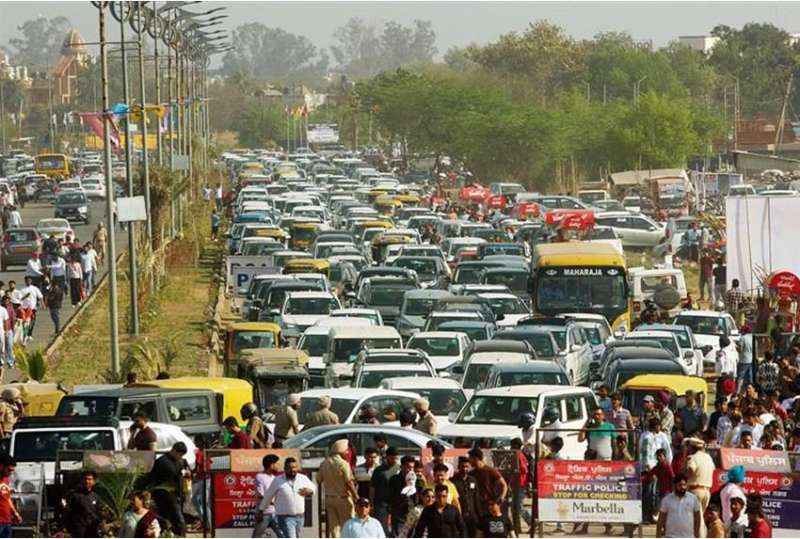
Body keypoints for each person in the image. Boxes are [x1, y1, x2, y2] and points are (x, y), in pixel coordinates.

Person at [261, 457, 316, 538]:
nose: (292, 470)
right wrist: (261, 510)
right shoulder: (278, 480)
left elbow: (313, 488)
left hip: (300, 517)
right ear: (285, 469)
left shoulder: (302, 478)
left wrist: (310, 491)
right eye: (290, 468)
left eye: (294, 467)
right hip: (285, 517)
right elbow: (268, 496)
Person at [318, 439, 358, 538]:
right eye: (346, 450)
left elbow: (318, 479)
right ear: (342, 451)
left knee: (334, 528)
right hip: (343, 499)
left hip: (329, 499)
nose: (347, 452)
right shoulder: (343, 464)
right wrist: (356, 496)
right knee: (347, 525)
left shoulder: (324, 463)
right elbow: (349, 482)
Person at [148, 442, 188, 536]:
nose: (180, 457)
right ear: (174, 451)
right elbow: (153, 478)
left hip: (177, 496)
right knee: (178, 522)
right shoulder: (162, 462)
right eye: (179, 454)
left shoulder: (180, 462)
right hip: (165, 496)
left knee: (173, 522)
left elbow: (182, 473)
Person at [639, 416, 672, 523]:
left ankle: (654, 515)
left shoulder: (662, 436)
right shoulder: (646, 436)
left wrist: (667, 465)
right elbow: (644, 453)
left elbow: (667, 451)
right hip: (650, 469)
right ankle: (646, 516)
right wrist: (647, 467)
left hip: (661, 468)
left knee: (657, 493)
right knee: (649, 493)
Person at [656, 473, 701, 538]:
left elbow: (697, 517)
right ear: (674, 485)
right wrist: (658, 534)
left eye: (684, 485)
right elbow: (661, 519)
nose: (682, 487)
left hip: (689, 536)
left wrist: (696, 534)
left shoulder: (693, 499)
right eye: (680, 485)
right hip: (671, 536)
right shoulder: (667, 499)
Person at [468, 449, 507, 522]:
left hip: (490, 506)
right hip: (477, 507)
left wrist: (501, 498)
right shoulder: (471, 474)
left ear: (476, 458)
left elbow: (504, 485)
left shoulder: (490, 471)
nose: (469, 461)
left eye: (470, 458)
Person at [371, 447, 399, 534]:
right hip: (381, 503)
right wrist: (371, 503)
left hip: (396, 503)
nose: (394, 460)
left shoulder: (399, 469)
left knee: (395, 528)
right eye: (392, 458)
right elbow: (372, 487)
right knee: (381, 527)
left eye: (395, 458)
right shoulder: (378, 470)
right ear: (387, 457)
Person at [253, 454, 282, 538]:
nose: (278, 466)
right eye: (277, 464)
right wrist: (273, 503)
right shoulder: (260, 477)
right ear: (271, 465)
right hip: (264, 513)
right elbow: (261, 495)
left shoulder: (274, 478)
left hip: (275, 513)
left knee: (283, 535)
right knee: (256, 536)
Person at [65, 470, 101, 537]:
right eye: (85, 479)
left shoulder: (96, 497)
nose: (87, 481)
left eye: (89, 479)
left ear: (94, 482)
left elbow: (98, 512)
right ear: (81, 480)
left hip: (93, 530)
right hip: (79, 531)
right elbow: (69, 512)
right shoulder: (75, 496)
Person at [387, 455, 417, 537]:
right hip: (398, 516)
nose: (410, 470)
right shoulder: (394, 479)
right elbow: (390, 498)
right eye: (408, 467)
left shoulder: (417, 480)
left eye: (412, 467)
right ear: (402, 467)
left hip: (412, 515)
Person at [451, 457, 480, 537]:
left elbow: (476, 498)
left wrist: (479, 515)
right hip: (459, 516)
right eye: (462, 466)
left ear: (469, 467)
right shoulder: (453, 481)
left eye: (466, 466)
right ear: (458, 467)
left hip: (472, 515)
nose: (464, 469)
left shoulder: (473, 480)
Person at [685, 437, 714, 516]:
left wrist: (685, 475)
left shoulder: (693, 457)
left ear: (692, 448)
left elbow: (691, 469)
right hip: (707, 491)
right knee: (700, 517)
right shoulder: (709, 458)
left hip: (695, 491)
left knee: (692, 517)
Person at [0, 455, 21, 538]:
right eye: (9, 470)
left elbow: (7, 498)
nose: (10, 473)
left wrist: (15, 513)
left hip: (7, 521)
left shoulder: (6, 480)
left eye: (12, 471)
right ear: (1, 466)